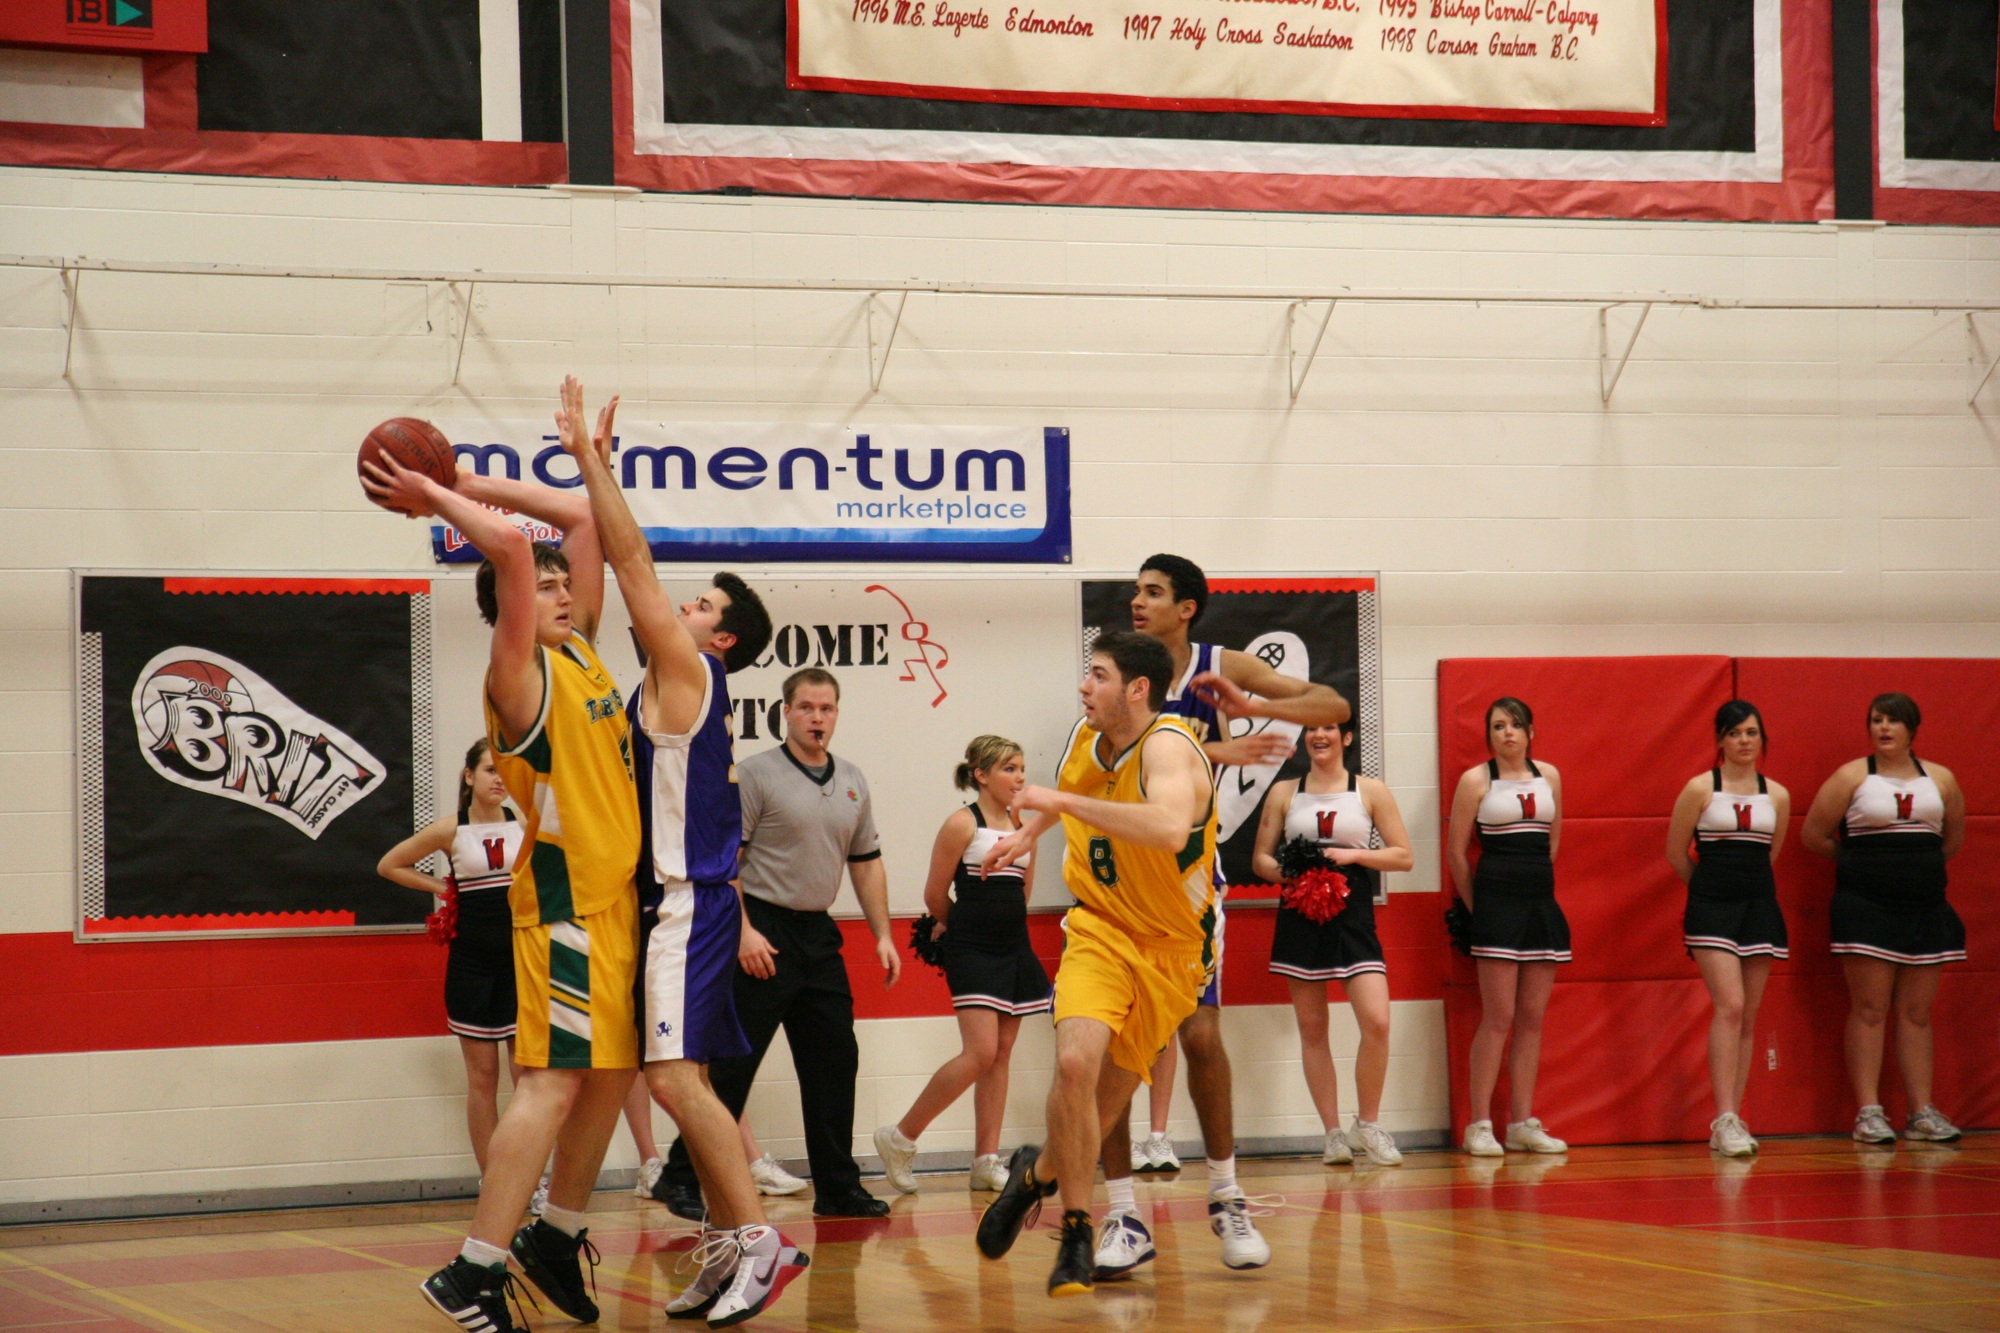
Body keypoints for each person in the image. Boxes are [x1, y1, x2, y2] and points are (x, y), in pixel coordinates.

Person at [364, 380, 640, 1333]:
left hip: (614, 903)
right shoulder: (516, 677)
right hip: (561, 908)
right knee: (553, 1083)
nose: (562, 589)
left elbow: (575, 520)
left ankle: (556, 1235)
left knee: (612, 1073)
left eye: (568, 583)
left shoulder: (584, 653)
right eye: (546, 588)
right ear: (511, 610)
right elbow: (517, 550)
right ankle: (474, 1269)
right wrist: (434, 492)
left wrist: (475, 476)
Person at [560, 378, 806, 1324]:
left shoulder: (690, 669)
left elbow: (628, 560)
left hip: (684, 901)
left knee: (668, 1078)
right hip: (673, 900)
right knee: (686, 1079)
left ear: (720, 635)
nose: (681, 605)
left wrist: (592, 464)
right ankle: (732, 1237)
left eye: (699, 603)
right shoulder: (667, 683)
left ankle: (761, 1242)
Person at [1100, 554, 1351, 1273]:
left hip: (1190, 884)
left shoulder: (1219, 664)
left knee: (1202, 1035)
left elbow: (1332, 705)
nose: (1137, 601)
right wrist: (1216, 746)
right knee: (1113, 1048)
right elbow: (1112, 753)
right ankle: (1122, 1213)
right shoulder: (1119, 669)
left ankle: (1226, 1195)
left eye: (1152, 592)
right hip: (1122, 885)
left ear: (1187, 608)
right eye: (1136, 591)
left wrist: (1254, 705)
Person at [973, 631, 1226, 1298]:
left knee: (1100, 1110)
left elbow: (1167, 828)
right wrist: (1027, 834)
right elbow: (1068, 789)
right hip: (1099, 927)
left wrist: (1058, 806)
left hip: (1172, 951)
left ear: (1137, 689)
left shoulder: (1169, 747)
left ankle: (1035, 1176)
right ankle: (1078, 1231)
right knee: (1075, 1064)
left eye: (1099, 675)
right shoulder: (1087, 737)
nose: (1085, 686)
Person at [657, 667, 899, 1221]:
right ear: (785, 712)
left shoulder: (853, 779)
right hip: (761, 928)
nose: (817, 718)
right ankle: (681, 1176)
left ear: (836, 714)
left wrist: (884, 934)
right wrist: (743, 932)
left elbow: (866, 863)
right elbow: (726, 862)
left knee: (835, 1060)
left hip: (818, 935)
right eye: (807, 707)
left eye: (827, 708)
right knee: (733, 1066)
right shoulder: (755, 775)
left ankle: (838, 1189)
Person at [875, 735, 1052, 1196]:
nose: (1020, 776)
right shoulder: (961, 824)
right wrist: (965, 930)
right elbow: (935, 895)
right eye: (1009, 768)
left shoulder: (1025, 828)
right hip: (972, 950)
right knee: (980, 1052)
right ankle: (900, 1138)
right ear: (981, 775)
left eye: (1021, 767)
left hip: (1014, 947)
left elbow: (1023, 893)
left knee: (1001, 1053)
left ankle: (984, 1160)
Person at [1800, 692, 1967, 1147]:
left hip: (1925, 907)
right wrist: (1864, 866)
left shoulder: (1942, 779)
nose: (1883, 728)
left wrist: (1913, 870)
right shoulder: (1851, 776)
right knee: (1870, 1009)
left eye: (1893, 720)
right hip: (1865, 908)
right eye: (1876, 720)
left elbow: (1951, 842)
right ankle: (1869, 1113)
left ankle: (1921, 1113)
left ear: (1912, 728)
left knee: (1916, 1013)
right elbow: (1814, 835)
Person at [1251, 720, 1413, 1168]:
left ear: (1346, 737)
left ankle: (1369, 1124)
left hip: (1353, 911)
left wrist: (1354, 855)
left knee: (1377, 1021)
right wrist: (1293, 875)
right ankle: (1332, 1134)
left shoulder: (1370, 790)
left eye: (1328, 728)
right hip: (1300, 911)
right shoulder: (1284, 791)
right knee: (1312, 1028)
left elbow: (1403, 855)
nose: (1318, 736)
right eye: (1311, 729)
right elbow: (1261, 858)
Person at [377, 740, 524, 1175]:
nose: (499, 779)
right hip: (471, 966)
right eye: (490, 770)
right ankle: (493, 1179)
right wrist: (443, 888)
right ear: (469, 776)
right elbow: (389, 865)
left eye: (506, 771)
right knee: (483, 1079)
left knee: (528, 1080)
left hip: (521, 964)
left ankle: (526, 1178)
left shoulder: (526, 823)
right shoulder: (449, 830)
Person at [1664, 700, 1792, 1158]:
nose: (1743, 741)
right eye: (1734, 733)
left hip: (1759, 906)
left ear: (1762, 738)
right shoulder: (1700, 788)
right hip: (1711, 909)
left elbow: (1770, 854)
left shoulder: (1777, 795)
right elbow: (1675, 852)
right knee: (1731, 1005)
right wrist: (1708, 892)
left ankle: (1735, 1118)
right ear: (1720, 740)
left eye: (1751, 733)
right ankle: (1722, 1119)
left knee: (1747, 1017)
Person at [1445, 697, 1568, 1158]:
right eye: (1498, 726)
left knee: (1531, 1019)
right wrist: (1480, 909)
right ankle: (1479, 1124)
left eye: (1515, 724)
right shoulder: (1475, 780)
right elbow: (1457, 853)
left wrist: (1533, 886)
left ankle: (1521, 1123)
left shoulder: (1549, 776)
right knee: (1498, 1018)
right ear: (1489, 735)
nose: (1507, 733)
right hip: (1495, 905)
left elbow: (1553, 841)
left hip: (1540, 903)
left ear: (1531, 732)